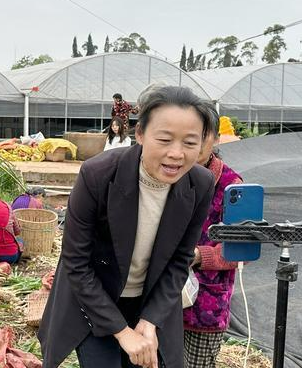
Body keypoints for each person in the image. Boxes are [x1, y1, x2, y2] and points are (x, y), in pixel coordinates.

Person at [38, 85, 217, 368]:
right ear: (140, 134)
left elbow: (180, 260)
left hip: (149, 302)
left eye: (190, 142)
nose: (176, 153)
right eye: (165, 139)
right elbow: (76, 262)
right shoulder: (98, 175)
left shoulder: (201, 183)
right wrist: (122, 332)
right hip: (95, 298)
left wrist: (150, 321)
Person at [183, 108, 243, 368]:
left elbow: (242, 249)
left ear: (216, 139)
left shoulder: (233, 186)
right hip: (157, 304)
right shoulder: (166, 175)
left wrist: (198, 256)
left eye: (201, 137)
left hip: (205, 306)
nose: (191, 146)